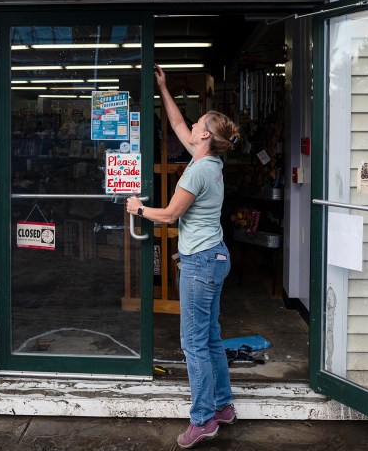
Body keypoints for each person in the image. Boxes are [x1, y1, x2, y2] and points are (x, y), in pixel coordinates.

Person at [127, 64, 241, 449]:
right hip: (216, 257)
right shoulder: (209, 161)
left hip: (200, 262)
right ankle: (223, 406)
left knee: (193, 342)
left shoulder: (196, 173)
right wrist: (163, 89)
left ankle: (203, 419)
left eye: (198, 124)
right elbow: (177, 124)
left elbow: (171, 215)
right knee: (210, 337)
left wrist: (137, 209)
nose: (191, 126)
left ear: (205, 134)